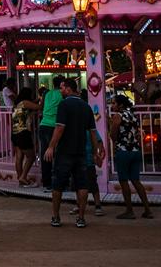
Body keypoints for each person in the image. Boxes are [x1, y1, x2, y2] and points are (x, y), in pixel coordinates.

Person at [43, 78, 104, 228]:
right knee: (82, 185)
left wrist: (51, 146)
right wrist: (96, 152)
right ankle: (81, 218)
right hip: (81, 152)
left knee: (58, 185)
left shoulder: (64, 105)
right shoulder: (86, 107)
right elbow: (93, 132)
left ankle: (56, 217)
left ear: (69, 89)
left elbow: (59, 127)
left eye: (62, 88)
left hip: (65, 151)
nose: (61, 91)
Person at [110, 94, 153, 219]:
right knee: (136, 181)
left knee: (124, 181)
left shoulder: (118, 116)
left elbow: (113, 135)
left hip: (123, 151)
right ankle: (147, 209)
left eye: (114, 103)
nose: (112, 105)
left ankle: (129, 210)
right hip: (135, 151)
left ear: (120, 105)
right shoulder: (133, 116)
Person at [38, 75, 65, 191]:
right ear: (61, 85)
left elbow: (42, 106)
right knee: (58, 154)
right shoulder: (62, 95)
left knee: (45, 155)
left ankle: (46, 182)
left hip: (43, 124)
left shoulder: (47, 94)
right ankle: (59, 182)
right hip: (54, 126)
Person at [11, 88, 40, 186]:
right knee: (31, 157)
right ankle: (23, 177)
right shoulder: (25, 103)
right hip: (23, 132)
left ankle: (20, 179)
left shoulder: (17, 104)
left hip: (15, 133)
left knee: (19, 157)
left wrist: (36, 99)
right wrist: (43, 97)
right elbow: (39, 107)